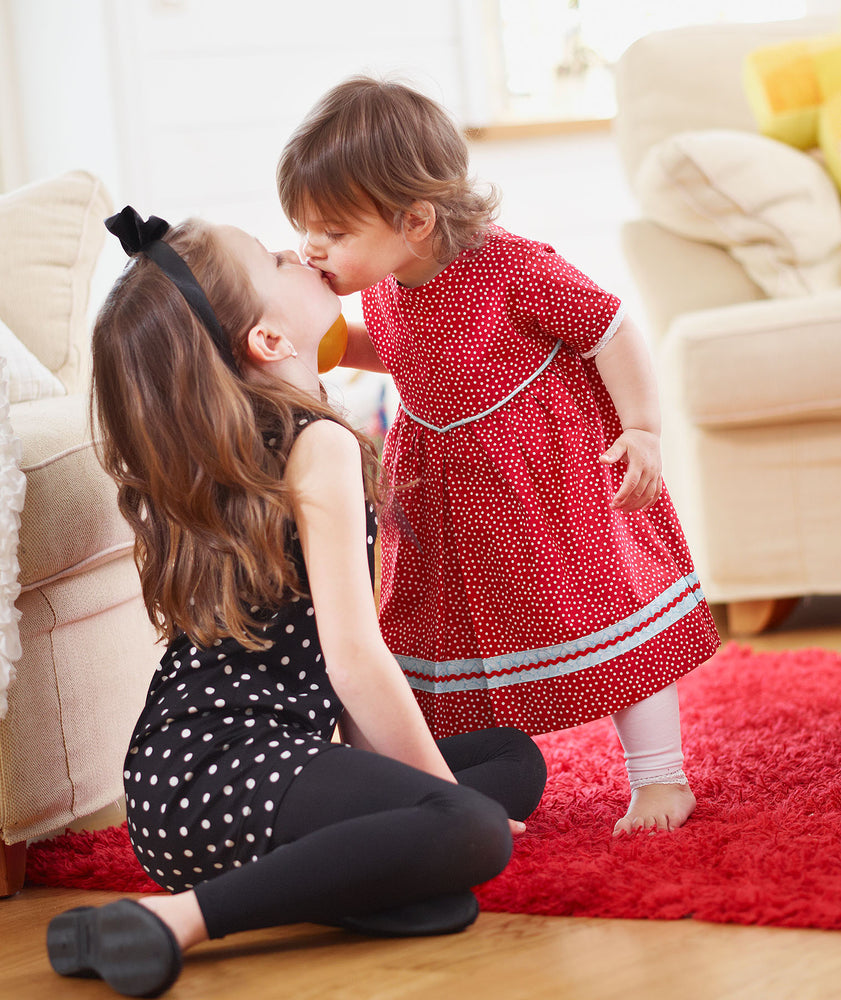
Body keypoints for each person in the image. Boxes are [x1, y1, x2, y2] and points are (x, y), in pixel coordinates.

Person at [45, 207, 546, 999]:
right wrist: (439, 802)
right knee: (473, 826)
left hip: (171, 791)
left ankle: (347, 878)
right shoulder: (320, 445)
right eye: (276, 261)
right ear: (269, 342)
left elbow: (318, 677)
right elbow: (352, 660)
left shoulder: (240, 455)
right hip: (233, 768)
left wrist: (404, 784)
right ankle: (175, 922)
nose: (296, 253)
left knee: (511, 756)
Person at [276, 77, 721, 839]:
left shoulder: (513, 268)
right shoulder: (387, 281)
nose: (315, 248)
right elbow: (406, 350)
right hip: (443, 482)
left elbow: (610, 328)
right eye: (305, 228)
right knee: (433, 628)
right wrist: (321, 343)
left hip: (545, 477)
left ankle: (659, 777)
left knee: (607, 608)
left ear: (414, 220)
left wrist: (642, 429)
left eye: (334, 232)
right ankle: (433, 772)